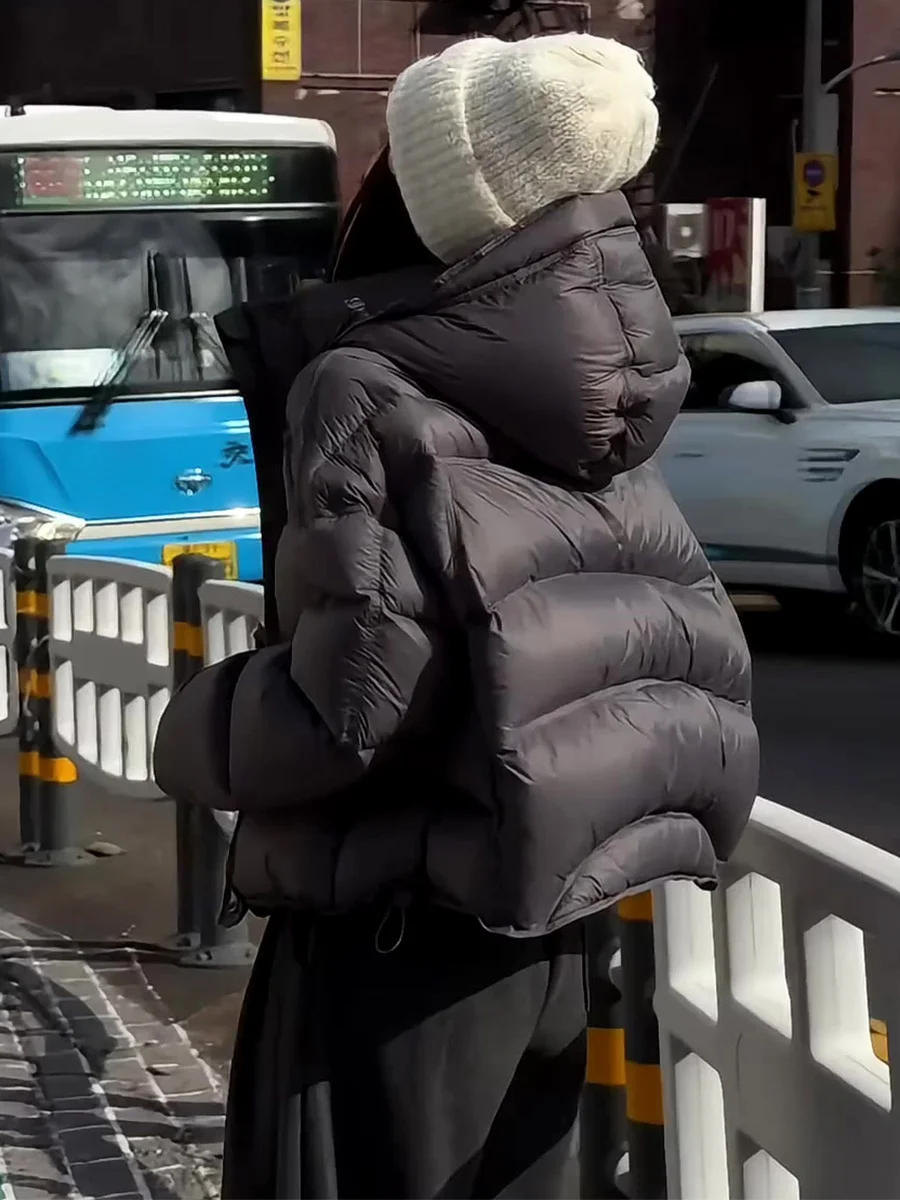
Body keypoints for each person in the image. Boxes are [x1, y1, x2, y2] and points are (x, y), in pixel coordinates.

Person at [154, 32, 758, 1200]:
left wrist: (195, 724)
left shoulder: (370, 383)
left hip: (395, 939)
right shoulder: (601, 376)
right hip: (546, 935)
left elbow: (353, 706)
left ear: (447, 191)